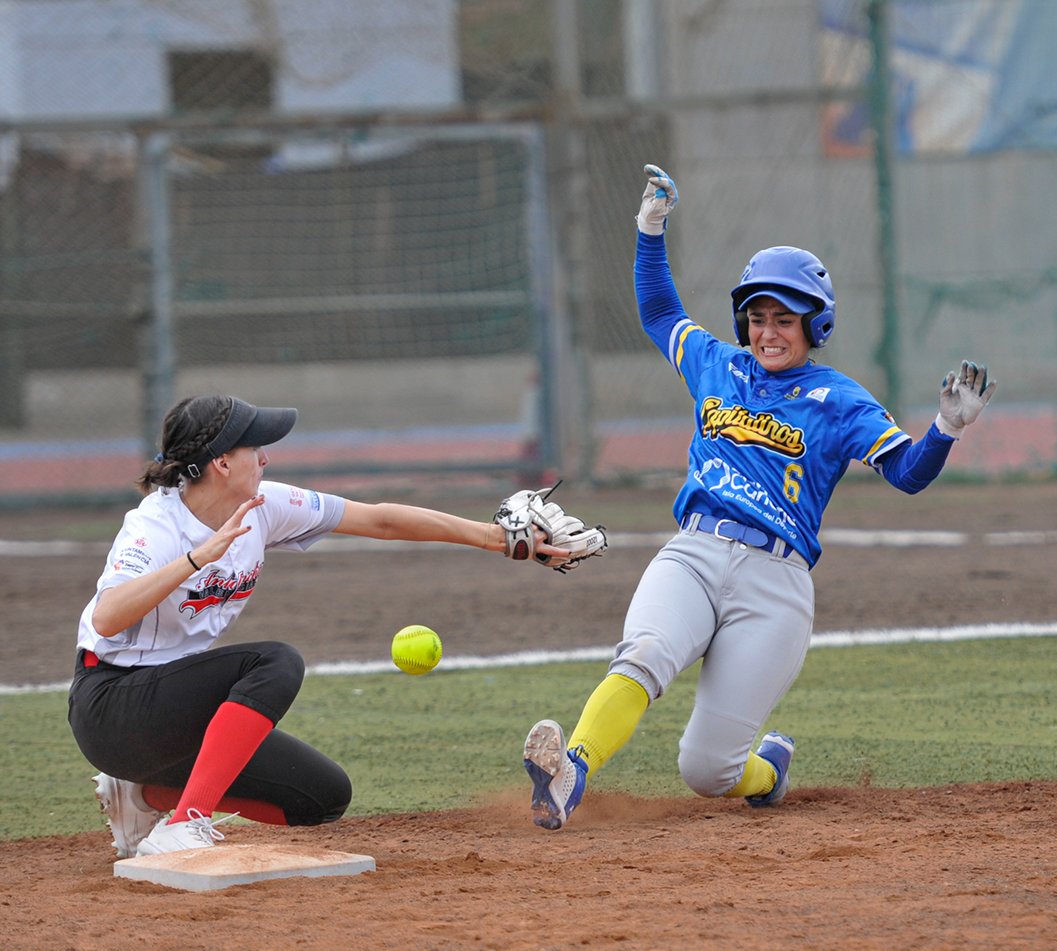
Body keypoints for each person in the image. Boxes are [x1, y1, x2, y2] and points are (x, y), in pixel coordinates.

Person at [522, 163, 997, 830]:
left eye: (785, 319)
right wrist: (650, 228)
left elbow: (908, 474)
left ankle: (768, 770)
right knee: (647, 652)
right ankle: (569, 772)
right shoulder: (719, 364)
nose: (768, 331)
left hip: (775, 585)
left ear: (815, 326)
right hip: (694, 553)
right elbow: (660, 311)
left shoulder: (839, 400)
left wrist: (947, 428)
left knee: (707, 770)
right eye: (757, 318)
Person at [71, 394, 581, 858]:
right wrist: (194, 558)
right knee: (275, 662)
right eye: (255, 448)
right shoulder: (155, 526)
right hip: (113, 708)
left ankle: (139, 793)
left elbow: (379, 519)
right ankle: (188, 820)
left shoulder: (262, 506)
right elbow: (107, 616)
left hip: (177, 716)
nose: (266, 458)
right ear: (222, 462)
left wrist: (495, 538)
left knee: (319, 797)